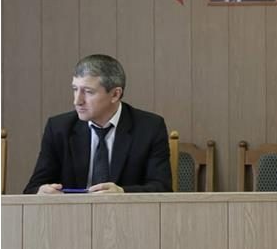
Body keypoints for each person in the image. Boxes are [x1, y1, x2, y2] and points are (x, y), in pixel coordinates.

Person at [23, 54, 172, 194]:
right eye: (75, 89)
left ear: (115, 94)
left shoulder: (150, 128)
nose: (77, 101)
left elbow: (162, 188)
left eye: (88, 92)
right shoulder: (58, 128)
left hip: (128, 212)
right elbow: (32, 188)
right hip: (73, 212)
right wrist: (42, 191)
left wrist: (123, 193)